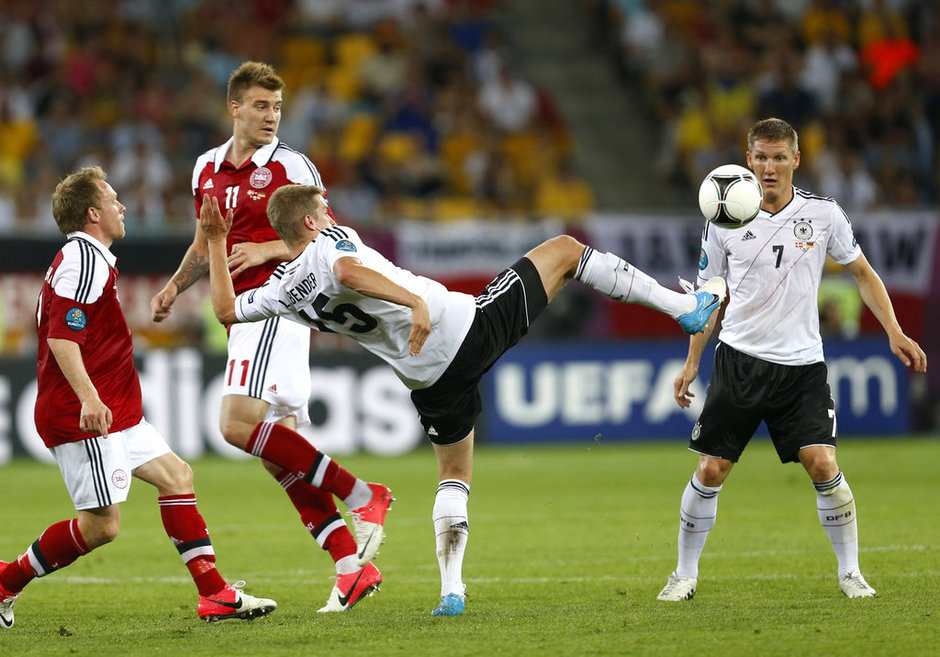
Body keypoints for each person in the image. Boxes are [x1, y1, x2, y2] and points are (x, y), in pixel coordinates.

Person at [198, 183, 727, 615]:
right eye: (323, 208)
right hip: (464, 329)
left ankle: (452, 591)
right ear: (312, 222)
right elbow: (346, 272)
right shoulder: (332, 241)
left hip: (428, 379)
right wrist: (414, 303)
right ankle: (684, 307)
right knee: (565, 251)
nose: (331, 212)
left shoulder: (284, 288)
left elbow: (224, 310)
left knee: (454, 473)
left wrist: (218, 242)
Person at [149, 61, 392, 613]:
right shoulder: (205, 167)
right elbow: (203, 240)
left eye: (277, 108)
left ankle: (362, 494)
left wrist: (268, 250)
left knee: (237, 425)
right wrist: (174, 287)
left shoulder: (290, 165)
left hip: (275, 304)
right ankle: (352, 566)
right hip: (239, 312)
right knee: (278, 454)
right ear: (234, 107)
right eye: (260, 106)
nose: (270, 117)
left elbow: (331, 236)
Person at [656, 117, 927, 603]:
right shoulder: (722, 220)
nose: (770, 167)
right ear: (748, 160)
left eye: (780, 157)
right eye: (761, 157)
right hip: (739, 360)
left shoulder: (824, 215)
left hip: (803, 366)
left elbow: (863, 273)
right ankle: (683, 574)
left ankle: (851, 573)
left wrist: (894, 330)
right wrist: (693, 361)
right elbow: (707, 299)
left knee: (823, 464)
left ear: (796, 160)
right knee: (711, 471)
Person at [0, 166, 277, 629]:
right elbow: (60, 338)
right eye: (112, 200)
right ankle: (7, 580)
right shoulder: (82, 260)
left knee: (176, 476)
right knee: (101, 527)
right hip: (85, 413)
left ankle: (216, 595)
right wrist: (89, 399)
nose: (122, 206)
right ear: (93, 214)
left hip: (116, 409)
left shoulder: (90, 258)